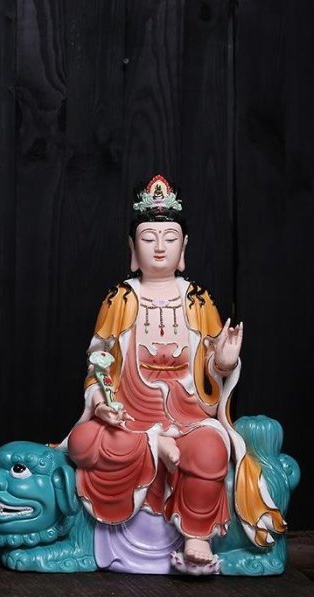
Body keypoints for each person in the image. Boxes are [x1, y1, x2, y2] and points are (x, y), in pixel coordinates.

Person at [64, 175, 285, 570]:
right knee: (82, 442)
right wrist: (100, 404)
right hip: (131, 418)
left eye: (170, 238)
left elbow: (211, 371)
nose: (159, 247)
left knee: (211, 447)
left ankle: (197, 536)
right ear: (132, 249)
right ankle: (154, 446)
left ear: (184, 247)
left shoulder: (198, 300)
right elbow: (98, 366)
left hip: (188, 417)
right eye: (148, 238)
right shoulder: (120, 298)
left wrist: (225, 361)